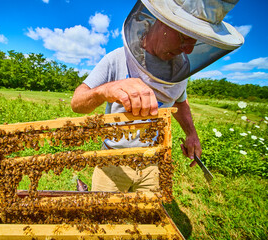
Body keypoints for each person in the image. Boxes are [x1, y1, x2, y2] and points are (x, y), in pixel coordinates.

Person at [71, 0, 244, 192]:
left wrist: (191, 134)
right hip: (113, 160)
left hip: (154, 161)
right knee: (104, 216)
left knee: (147, 217)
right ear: (162, 22)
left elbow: (180, 102)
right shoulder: (116, 59)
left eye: (195, 41)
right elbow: (77, 102)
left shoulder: (179, 70)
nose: (188, 50)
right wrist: (106, 90)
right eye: (185, 37)